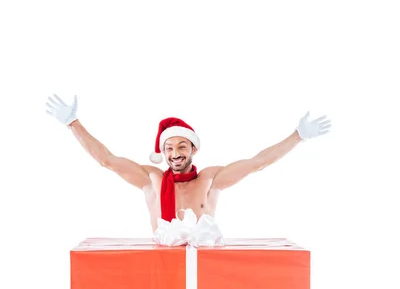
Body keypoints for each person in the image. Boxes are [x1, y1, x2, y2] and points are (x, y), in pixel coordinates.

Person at [45, 94, 331, 234]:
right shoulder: (152, 179)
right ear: (163, 152)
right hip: (162, 263)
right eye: (169, 148)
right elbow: (107, 160)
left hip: (205, 265)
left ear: (193, 148)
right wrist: (73, 123)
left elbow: (257, 163)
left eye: (182, 146)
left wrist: (298, 137)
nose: (175, 153)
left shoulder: (209, 179)